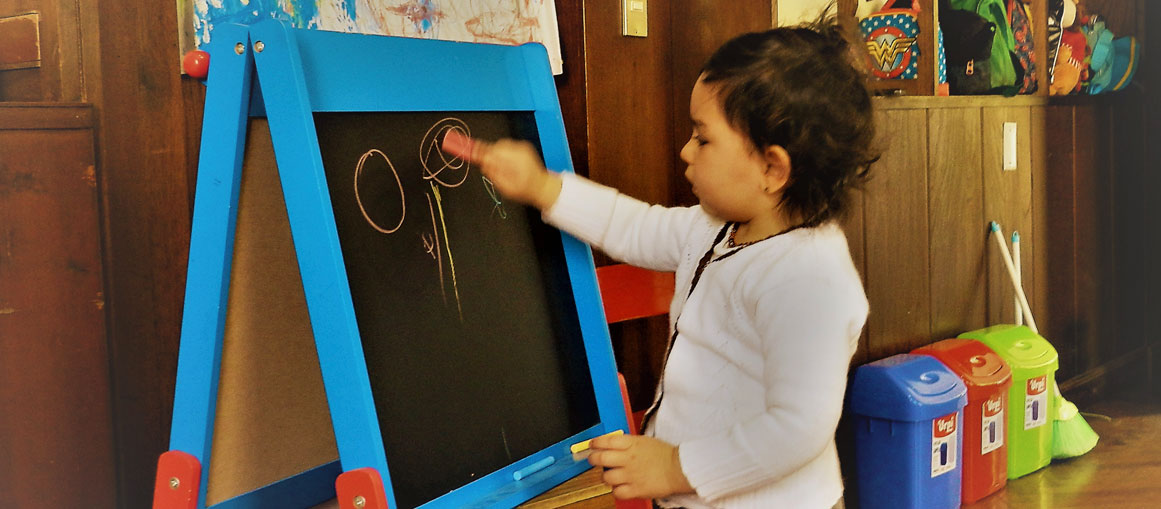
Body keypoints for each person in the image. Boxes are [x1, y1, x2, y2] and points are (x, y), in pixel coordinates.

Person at [443, 11, 877, 509]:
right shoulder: (716, 227)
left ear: (772, 167)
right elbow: (635, 227)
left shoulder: (809, 279)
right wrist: (543, 186)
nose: (685, 151)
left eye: (704, 138)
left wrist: (675, 467)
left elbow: (799, 428)